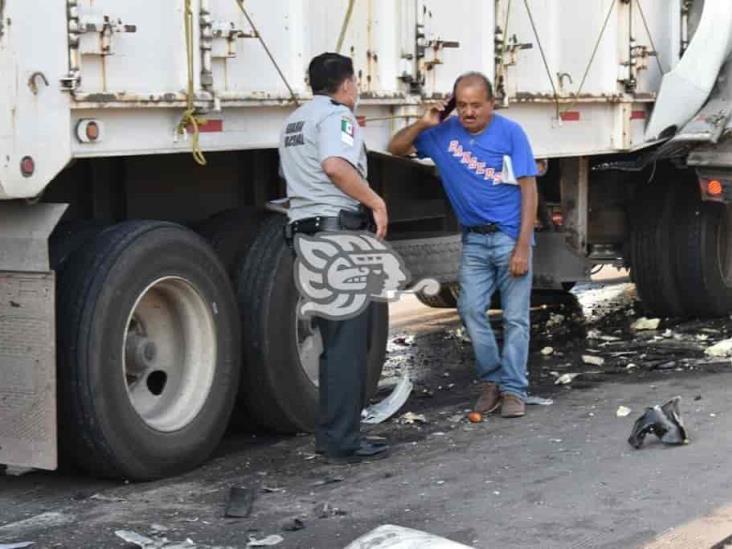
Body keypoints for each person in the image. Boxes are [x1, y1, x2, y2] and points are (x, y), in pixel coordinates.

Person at [387, 72, 538, 418]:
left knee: (516, 318)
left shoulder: (511, 133)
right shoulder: (441, 135)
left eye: (476, 106)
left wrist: (522, 247)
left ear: (491, 104)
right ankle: (491, 383)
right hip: (474, 240)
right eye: (463, 106)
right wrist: (423, 122)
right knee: (470, 310)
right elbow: (396, 148)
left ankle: (514, 390)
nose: (469, 113)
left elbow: (529, 189)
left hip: (508, 236)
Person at [278, 52, 390, 463]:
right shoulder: (337, 116)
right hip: (338, 240)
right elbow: (335, 166)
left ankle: (333, 435)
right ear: (347, 84)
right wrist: (376, 202)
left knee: (333, 343)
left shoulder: (295, 121)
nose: (356, 91)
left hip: (308, 238)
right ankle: (342, 440)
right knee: (347, 345)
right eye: (356, 83)